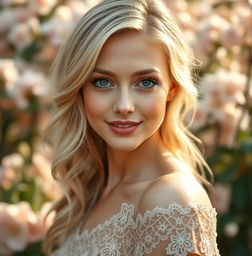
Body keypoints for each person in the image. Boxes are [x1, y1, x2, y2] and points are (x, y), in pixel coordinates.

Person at [43, 0, 220, 255]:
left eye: (146, 82)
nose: (124, 106)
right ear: (79, 88)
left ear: (171, 88)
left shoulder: (174, 201)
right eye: (103, 82)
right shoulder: (91, 188)